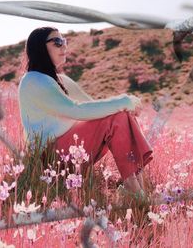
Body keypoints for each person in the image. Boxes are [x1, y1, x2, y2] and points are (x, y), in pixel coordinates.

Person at [18, 27, 153, 198]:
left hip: (67, 147)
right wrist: (122, 102)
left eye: (64, 42)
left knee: (121, 114)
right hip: (51, 157)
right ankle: (133, 188)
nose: (64, 47)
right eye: (57, 42)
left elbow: (91, 104)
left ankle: (135, 186)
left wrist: (125, 104)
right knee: (116, 115)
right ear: (39, 47)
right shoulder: (33, 80)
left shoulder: (59, 80)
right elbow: (76, 110)